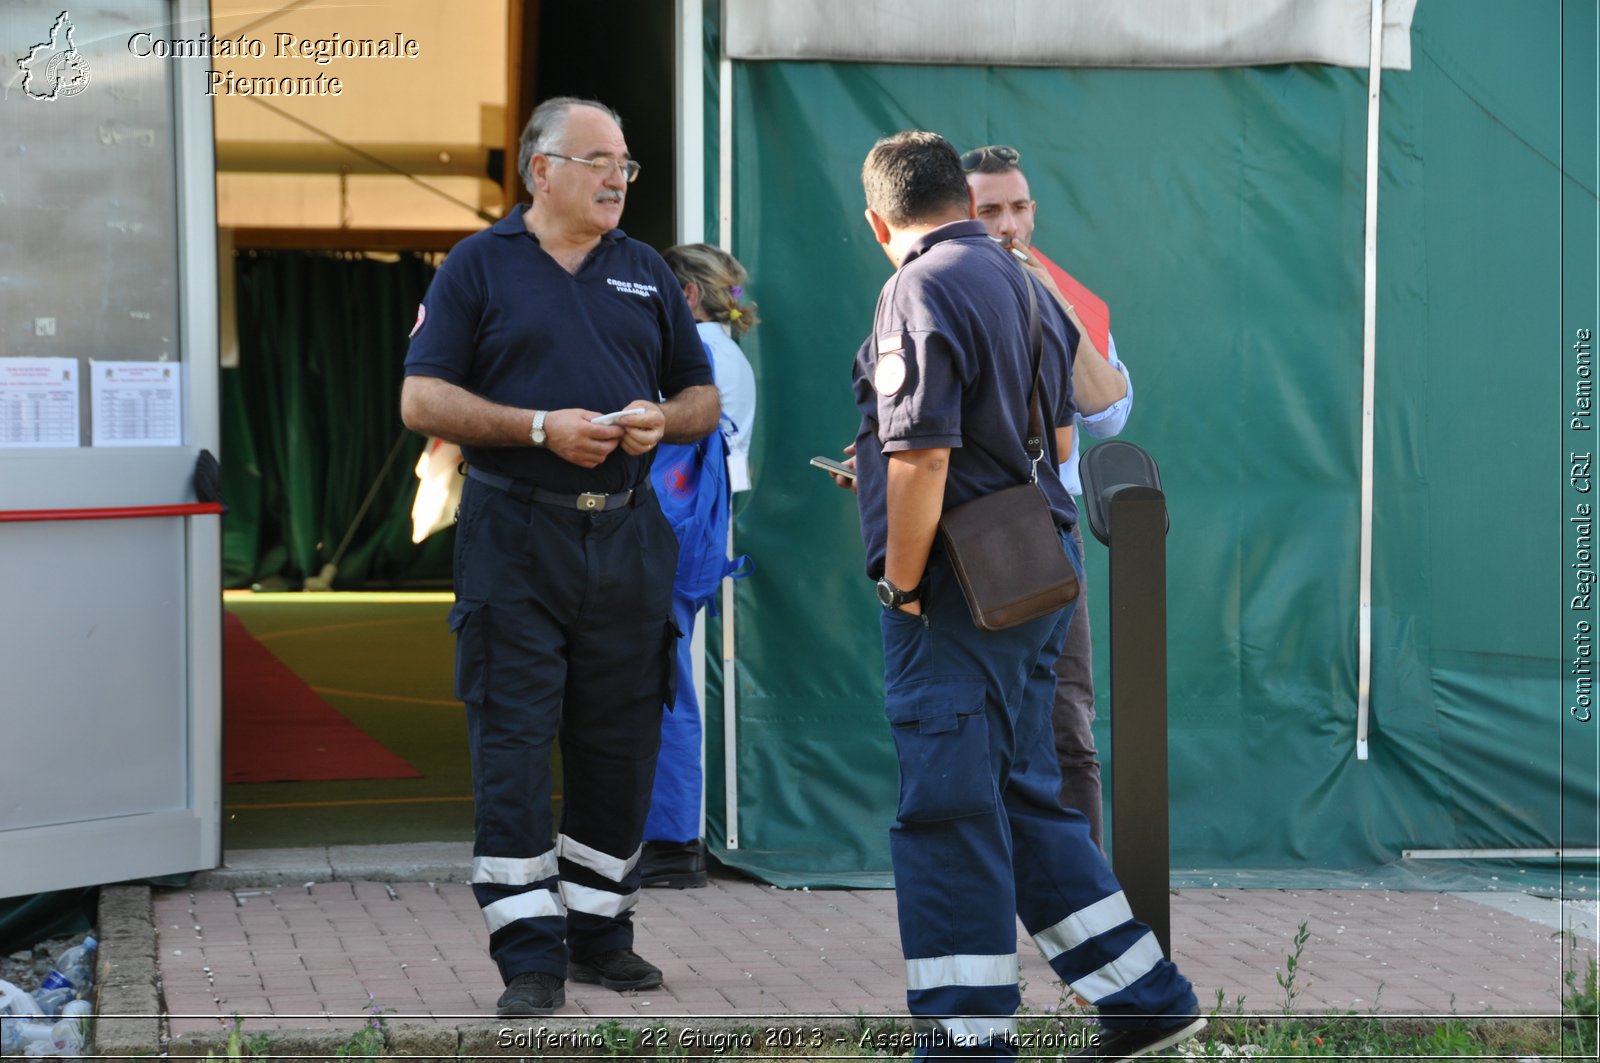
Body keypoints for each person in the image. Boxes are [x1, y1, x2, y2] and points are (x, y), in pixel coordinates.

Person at [850, 130, 1202, 1060]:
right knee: (1025, 795)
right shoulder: (1027, 283)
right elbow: (1051, 430)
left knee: (949, 808)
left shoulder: (917, 287)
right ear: (964, 202)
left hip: (960, 594)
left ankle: (966, 1037)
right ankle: (1144, 996)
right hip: (1034, 571)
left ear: (879, 220)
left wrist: (903, 576)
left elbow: (922, 454)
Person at [399, 96, 719, 1019]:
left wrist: (663, 418)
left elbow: (697, 394)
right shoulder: (478, 267)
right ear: (542, 169)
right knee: (511, 741)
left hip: (625, 534)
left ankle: (600, 934)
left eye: (626, 163)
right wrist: (536, 425)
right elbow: (423, 401)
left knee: (620, 744)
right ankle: (528, 955)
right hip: (516, 536)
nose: (619, 176)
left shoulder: (647, 272)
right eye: (599, 160)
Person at [962, 144, 1133, 850]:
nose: (1008, 224)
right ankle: (991, 901)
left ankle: (1084, 909)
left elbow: (1110, 412)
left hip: (1047, 533)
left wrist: (1056, 305)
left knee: (1067, 725)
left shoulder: (1069, 294)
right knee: (969, 724)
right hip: (964, 532)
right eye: (989, 210)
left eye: (1019, 207)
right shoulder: (939, 290)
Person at [639, 244, 761, 888]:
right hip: (692, 532)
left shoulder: (699, 356)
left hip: (672, 533)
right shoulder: (725, 354)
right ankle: (664, 835)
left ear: (684, 295)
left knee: (663, 684)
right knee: (663, 679)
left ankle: (669, 839)